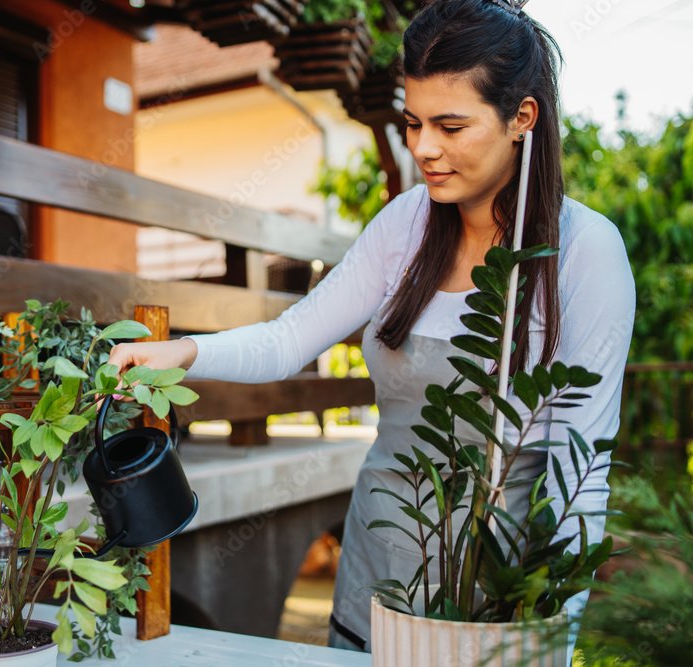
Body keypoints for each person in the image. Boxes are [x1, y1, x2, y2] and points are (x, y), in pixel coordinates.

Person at [108, 0, 635, 654]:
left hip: (496, 590)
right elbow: (289, 339)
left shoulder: (585, 252)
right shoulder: (406, 224)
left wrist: (550, 631)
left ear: (521, 118)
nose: (423, 148)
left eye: (450, 125)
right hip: (378, 559)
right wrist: (182, 352)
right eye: (413, 122)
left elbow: (579, 472)